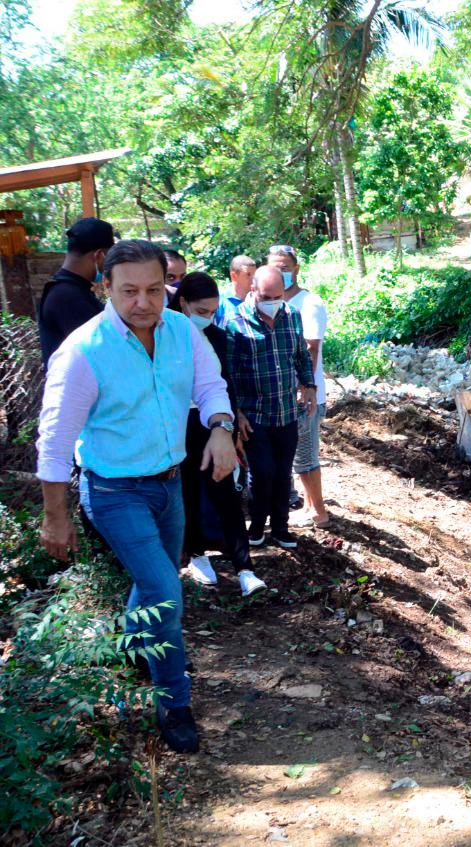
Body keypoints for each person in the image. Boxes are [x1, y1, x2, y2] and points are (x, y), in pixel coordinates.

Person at [36, 238, 236, 754]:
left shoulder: (180, 333)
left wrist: (219, 426)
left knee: (153, 586)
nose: (143, 302)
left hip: (171, 483)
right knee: (166, 591)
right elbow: (55, 445)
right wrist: (55, 517)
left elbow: (211, 384)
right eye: (129, 291)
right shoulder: (84, 352)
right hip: (113, 491)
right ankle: (174, 701)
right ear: (105, 287)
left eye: (154, 290)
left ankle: (132, 646)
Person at [171, 272, 267, 597]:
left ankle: (244, 568)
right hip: (174, 425)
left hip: (211, 423)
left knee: (225, 490)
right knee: (187, 492)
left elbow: (223, 383)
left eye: (212, 311)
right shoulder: (162, 332)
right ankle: (197, 554)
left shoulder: (216, 336)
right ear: (182, 303)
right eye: (201, 311)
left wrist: (229, 426)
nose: (207, 318)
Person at [224, 266, 317, 548]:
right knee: (261, 472)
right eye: (267, 296)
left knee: (282, 471)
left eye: (278, 296)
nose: (273, 302)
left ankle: (280, 527)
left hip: (287, 410)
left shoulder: (292, 316)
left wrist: (309, 386)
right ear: (253, 290)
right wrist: (236, 412)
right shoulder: (235, 322)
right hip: (254, 414)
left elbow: (301, 355)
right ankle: (256, 526)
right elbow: (227, 372)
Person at [267, 244, 331, 528]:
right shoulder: (275, 301)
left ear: (296, 269)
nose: (281, 272)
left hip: (303, 394)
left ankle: (319, 511)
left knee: (305, 454)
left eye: (285, 267)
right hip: (286, 394)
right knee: (297, 453)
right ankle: (308, 506)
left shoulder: (308, 303)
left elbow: (310, 349)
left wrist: (305, 388)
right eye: (275, 267)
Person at [37, 217, 115, 365]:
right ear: (99, 255)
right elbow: (103, 352)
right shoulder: (68, 297)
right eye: (109, 256)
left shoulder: (67, 290)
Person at [215, 254, 256, 327]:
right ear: (234, 276)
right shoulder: (220, 301)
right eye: (248, 274)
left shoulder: (258, 299)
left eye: (254, 275)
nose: (253, 279)